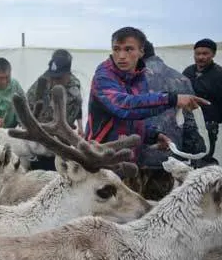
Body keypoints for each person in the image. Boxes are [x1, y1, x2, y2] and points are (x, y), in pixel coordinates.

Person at [85, 27, 209, 186]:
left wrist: (153, 135)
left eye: (129, 49)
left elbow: (137, 117)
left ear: (141, 52)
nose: (121, 56)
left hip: (129, 162)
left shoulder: (139, 76)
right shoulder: (104, 77)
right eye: (116, 49)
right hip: (102, 161)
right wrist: (172, 99)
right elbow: (124, 106)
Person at [137, 40, 205, 199]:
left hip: (137, 156)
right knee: (163, 210)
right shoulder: (181, 79)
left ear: (139, 53)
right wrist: (193, 157)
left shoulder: (131, 80)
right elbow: (190, 124)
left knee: (134, 210)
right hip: (171, 156)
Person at [26, 49, 84, 170]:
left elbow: (75, 112)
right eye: (52, 77)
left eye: (58, 78)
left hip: (59, 144)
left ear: (68, 74)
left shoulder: (74, 90)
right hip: (37, 140)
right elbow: (26, 106)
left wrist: (80, 126)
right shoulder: (42, 81)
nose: (53, 81)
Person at [182, 38, 222, 167]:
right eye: (197, 54)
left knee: (204, 157)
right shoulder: (188, 72)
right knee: (185, 156)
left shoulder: (219, 74)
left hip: (208, 124)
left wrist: (214, 120)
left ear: (213, 54)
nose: (200, 57)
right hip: (186, 121)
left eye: (205, 54)